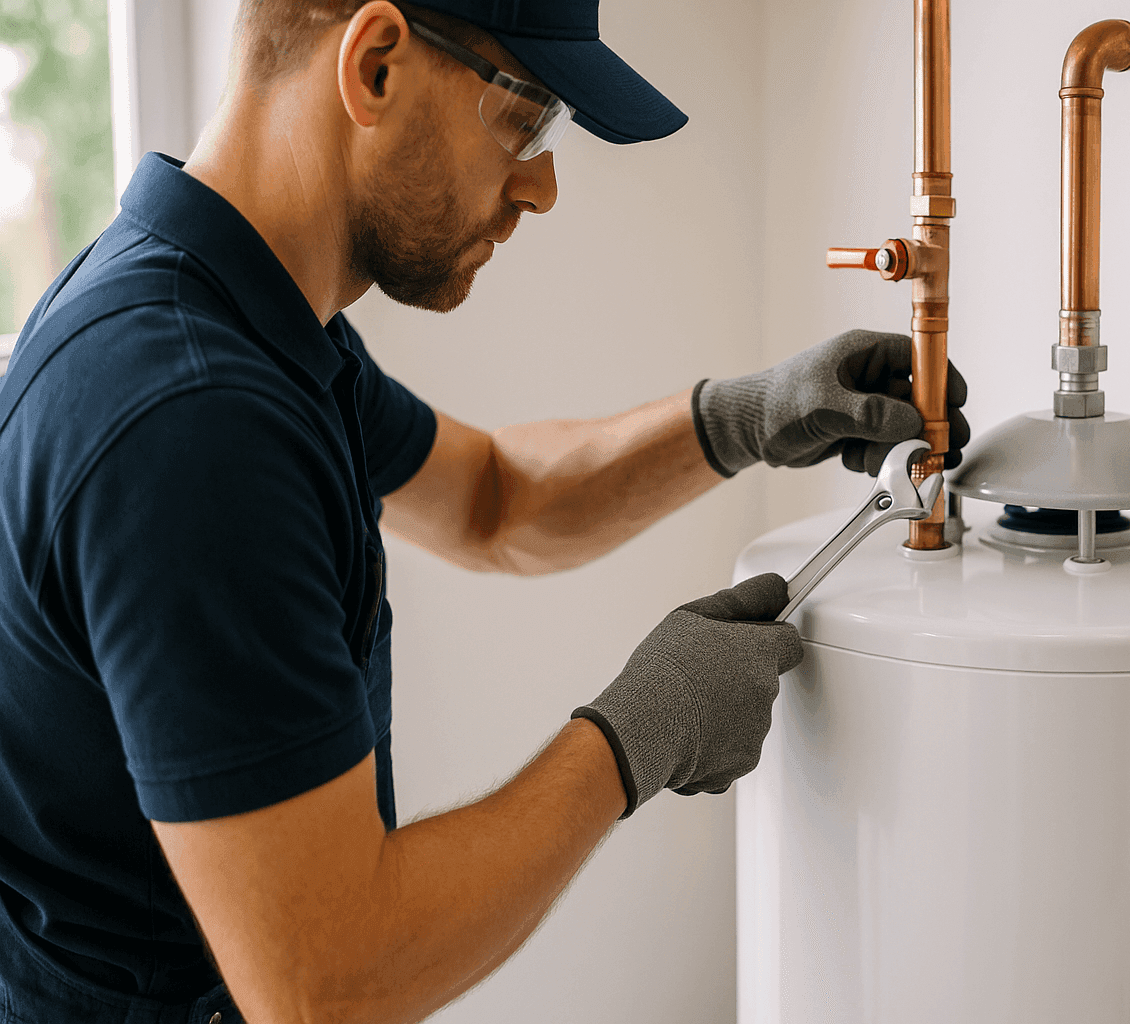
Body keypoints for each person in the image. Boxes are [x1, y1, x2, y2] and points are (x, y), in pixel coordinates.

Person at [0, 1, 969, 1021]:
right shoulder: (191, 419)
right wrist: (637, 736)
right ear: (374, 65)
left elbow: (496, 500)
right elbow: (329, 984)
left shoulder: (239, 312)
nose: (543, 187)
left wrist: (745, 417)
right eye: (526, 119)